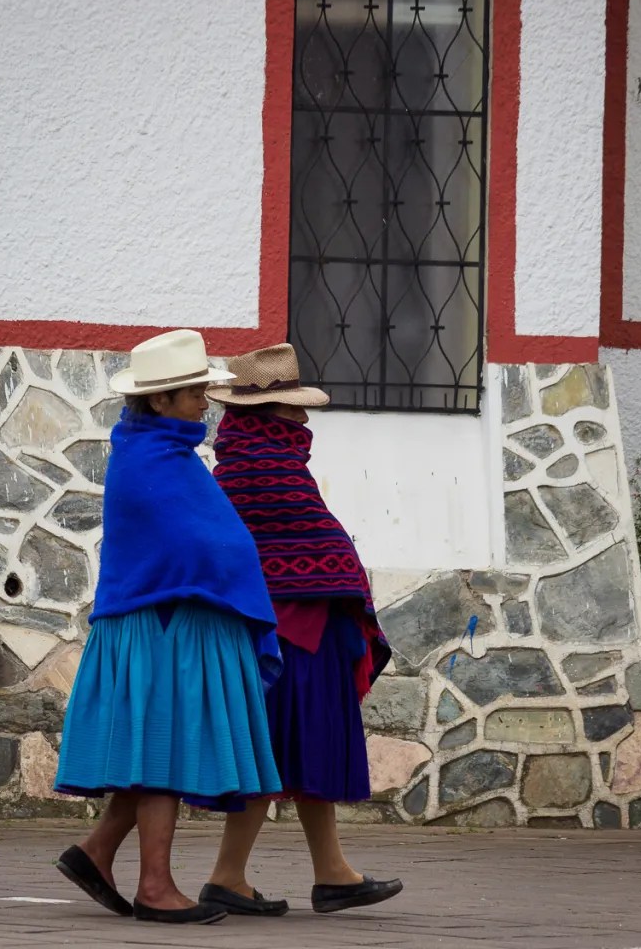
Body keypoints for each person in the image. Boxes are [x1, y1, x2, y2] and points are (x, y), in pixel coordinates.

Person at [53, 329, 283, 925]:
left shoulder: (161, 451)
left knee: (156, 746)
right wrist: (233, 573)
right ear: (161, 399)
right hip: (159, 621)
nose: (205, 403)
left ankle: (95, 853)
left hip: (168, 616)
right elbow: (187, 546)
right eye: (195, 393)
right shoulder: (148, 458)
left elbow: (203, 538)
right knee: (162, 750)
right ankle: (155, 888)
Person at [199, 343, 403, 918]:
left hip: (275, 634)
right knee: (285, 747)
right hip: (292, 638)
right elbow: (318, 547)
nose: (303, 419)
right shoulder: (270, 468)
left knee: (289, 749)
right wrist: (347, 584)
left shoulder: (236, 466)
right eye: (294, 408)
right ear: (271, 413)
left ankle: (326, 873)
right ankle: (232, 877)